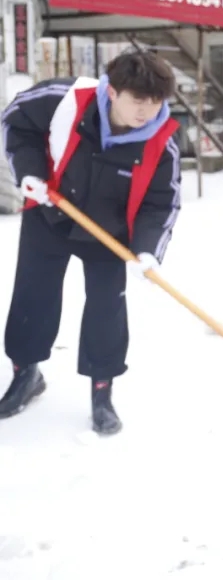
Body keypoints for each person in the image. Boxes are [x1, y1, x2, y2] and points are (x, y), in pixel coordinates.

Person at [0, 52, 182, 435]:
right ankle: (25, 374)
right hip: (50, 211)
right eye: (137, 100)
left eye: (156, 102)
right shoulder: (64, 99)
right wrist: (30, 172)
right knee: (33, 295)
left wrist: (148, 249)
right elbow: (16, 122)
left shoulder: (160, 143)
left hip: (110, 234)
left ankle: (102, 390)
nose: (146, 111)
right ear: (112, 92)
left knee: (106, 309)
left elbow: (162, 202)